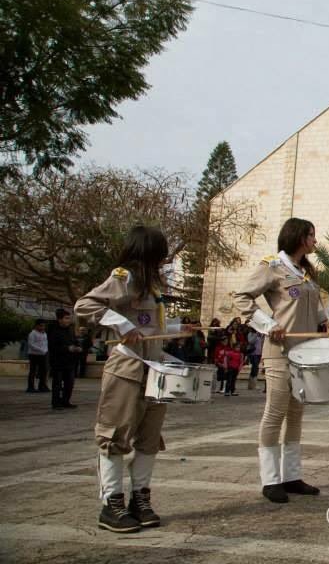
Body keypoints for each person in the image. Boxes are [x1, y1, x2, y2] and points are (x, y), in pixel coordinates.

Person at [74, 226, 185, 533]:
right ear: (149, 251)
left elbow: (149, 327)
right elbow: (85, 305)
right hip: (127, 369)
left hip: (155, 371)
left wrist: (178, 330)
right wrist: (120, 324)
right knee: (114, 438)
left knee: (149, 440)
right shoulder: (124, 278)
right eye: (162, 251)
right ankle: (112, 504)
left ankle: (141, 498)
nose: (166, 257)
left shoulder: (153, 286)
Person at [234, 217, 329, 503]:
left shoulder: (305, 273)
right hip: (280, 352)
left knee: (296, 414)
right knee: (275, 413)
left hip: (305, 353)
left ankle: (292, 475)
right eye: (311, 235)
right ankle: (271, 480)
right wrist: (267, 324)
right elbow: (242, 298)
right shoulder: (272, 266)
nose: (315, 241)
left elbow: (312, 317)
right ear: (298, 237)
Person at [48, 308, 80, 410]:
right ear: (59, 319)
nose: (68, 320)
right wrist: (67, 348)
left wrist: (77, 347)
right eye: (66, 318)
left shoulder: (69, 330)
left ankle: (66, 401)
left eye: (69, 318)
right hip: (58, 361)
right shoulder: (53, 331)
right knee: (57, 383)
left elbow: (74, 341)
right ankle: (56, 403)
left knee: (69, 383)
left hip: (69, 361)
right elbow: (52, 347)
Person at [26, 321, 49, 393]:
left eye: (44, 326)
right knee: (33, 371)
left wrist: (45, 350)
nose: (42, 327)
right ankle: (30, 387)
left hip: (43, 354)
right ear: (36, 326)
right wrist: (41, 350)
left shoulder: (44, 334)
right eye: (41, 326)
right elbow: (31, 344)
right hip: (34, 355)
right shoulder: (32, 334)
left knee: (44, 371)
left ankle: (42, 386)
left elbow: (45, 343)